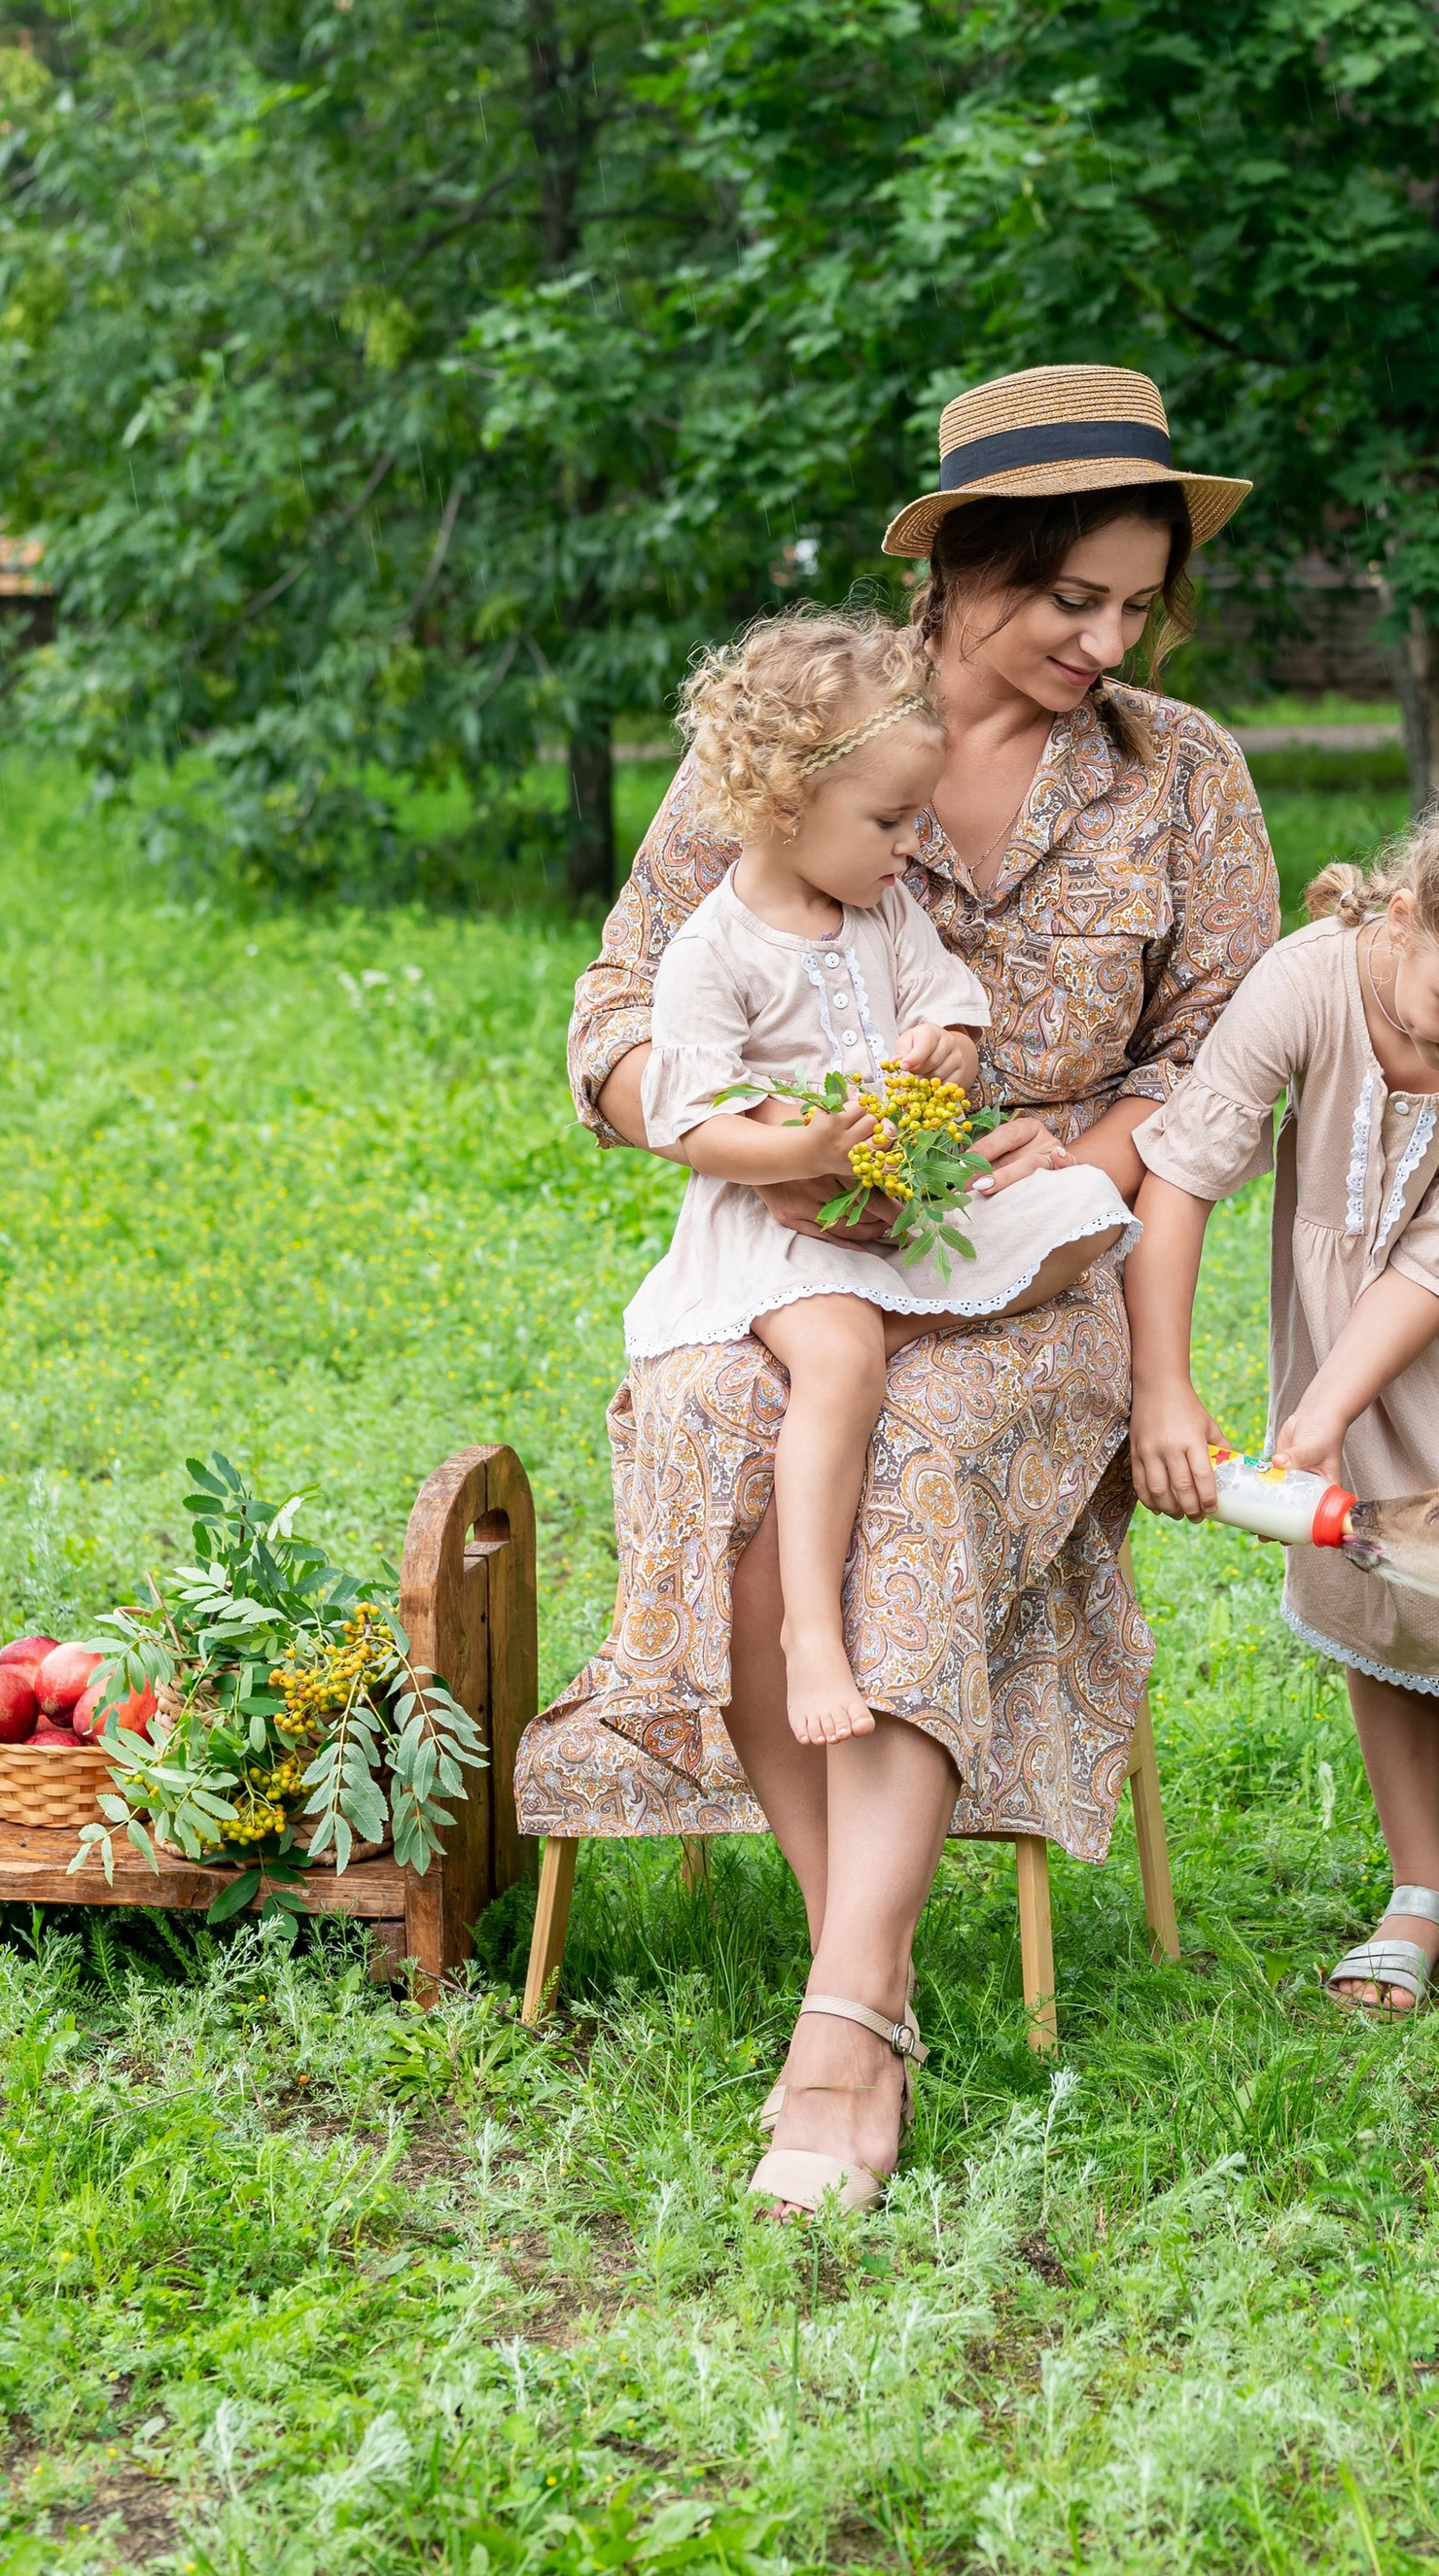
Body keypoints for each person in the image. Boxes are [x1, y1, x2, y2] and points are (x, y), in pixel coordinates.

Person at [514, 366, 1280, 2217]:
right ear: (958, 570)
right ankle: (866, 1972)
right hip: (784, 1242)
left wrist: (1087, 1149)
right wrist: (758, 1141)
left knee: (922, 1453)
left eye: (1134, 603)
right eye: (1065, 598)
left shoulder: (1183, 777)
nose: (1107, 639)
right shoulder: (790, 739)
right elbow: (619, 1013)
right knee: (724, 1419)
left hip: (1027, 1280)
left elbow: (1235, 1050)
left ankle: (844, 2021)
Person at [1126, 787, 1439, 2035]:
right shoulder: (1301, 987)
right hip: (1345, 1297)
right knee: (1375, 1570)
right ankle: (1421, 1886)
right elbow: (1182, 1177)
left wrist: (1316, 1411)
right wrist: (1165, 1385)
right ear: (1400, 919)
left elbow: (1438, 1274)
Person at [624, 608, 1135, 1758]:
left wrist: (949, 1041)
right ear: (785, 805)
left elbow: (941, 992)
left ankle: (904, 1312)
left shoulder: (883, 908)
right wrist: (798, 1154)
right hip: (780, 1227)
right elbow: (692, 1121)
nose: (914, 846)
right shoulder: (715, 952)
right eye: (892, 820)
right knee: (841, 1355)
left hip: (899, 1204)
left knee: (1086, 1213)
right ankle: (813, 1626)